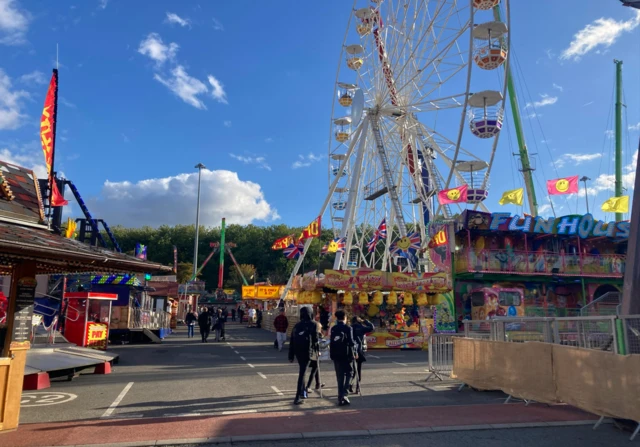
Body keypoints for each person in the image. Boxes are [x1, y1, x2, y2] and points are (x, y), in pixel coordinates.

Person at [288, 307, 319, 405]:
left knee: (305, 370)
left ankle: (303, 391)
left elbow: (292, 341)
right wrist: (317, 351)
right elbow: (315, 339)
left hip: (298, 351)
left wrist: (291, 355)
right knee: (302, 373)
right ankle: (298, 396)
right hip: (308, 351)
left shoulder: (297, 325)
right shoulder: (313, 324)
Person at [330, 310, 356, 406]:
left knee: (340, 376)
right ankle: (344, 393)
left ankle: (340, 396)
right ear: (345, 317)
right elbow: (351, 342)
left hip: (336, 354)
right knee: (350, 372)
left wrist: (331, 354)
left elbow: (332, 342)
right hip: (346, 354)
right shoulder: (348, 328)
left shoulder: (333, 328)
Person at [349, 316, 374, 394]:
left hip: (351, 350)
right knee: (358, 369)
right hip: (359, 350)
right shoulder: (361, 327)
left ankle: (350, 384)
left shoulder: (350, 328)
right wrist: (365, 321)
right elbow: (372, 327)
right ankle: (357, 387)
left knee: (351, 369)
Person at [306, 318, 325, 393]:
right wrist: (318, 351)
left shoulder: (311, 333)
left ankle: (318, 383)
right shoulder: (317, 334)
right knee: (314, 369)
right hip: (315, 352)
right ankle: (308, 386)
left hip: (312, 352)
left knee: (316, 368)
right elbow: (317, 343)